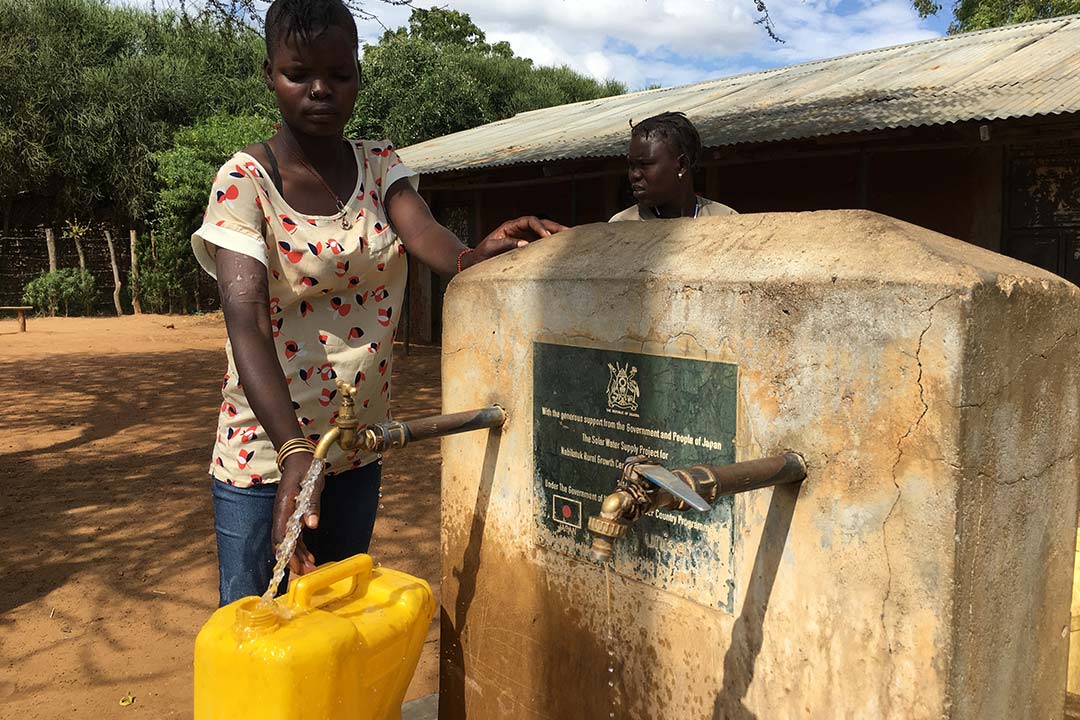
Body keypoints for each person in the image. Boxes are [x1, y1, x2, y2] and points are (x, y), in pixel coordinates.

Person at [191, 0, 564, 605]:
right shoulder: (245, 183)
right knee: (256, 625)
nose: (320, 90)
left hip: (355, 446)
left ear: (359, 75)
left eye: (339, 75)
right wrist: (292, 457)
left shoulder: (380, 165)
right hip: (264, 457)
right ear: (269, 74)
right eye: (298, 73)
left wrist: (480, 254)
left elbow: (431, 241)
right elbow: (247, 319)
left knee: (339, 623)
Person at [609, 111, 737, 222]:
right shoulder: (620, 226)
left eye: (645, 164)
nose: (634, 175)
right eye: (631, 165)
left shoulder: (728, 221)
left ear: (681, 165)